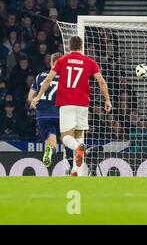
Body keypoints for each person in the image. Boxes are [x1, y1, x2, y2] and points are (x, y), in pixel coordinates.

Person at [30, 36, 112, 176]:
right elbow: (101, 82)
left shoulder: (63, 60)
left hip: (66, 104)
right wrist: (107, 100)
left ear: (69, 47)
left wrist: (37, 97)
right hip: (83, 105)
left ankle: (79, 148)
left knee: (66, 137)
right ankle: (76, 170)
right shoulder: (89, 61)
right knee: (78, 134)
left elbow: (49, 79)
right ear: (81, 47)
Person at [28, 52, 74, 172]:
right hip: (60, 114)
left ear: (51, 62)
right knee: (67, 140)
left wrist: (34, 101)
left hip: (43, 115)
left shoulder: (40, 76)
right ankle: (72, 167)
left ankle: (50, 151)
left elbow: (30, 98)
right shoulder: (67, 77)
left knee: (51, 143)